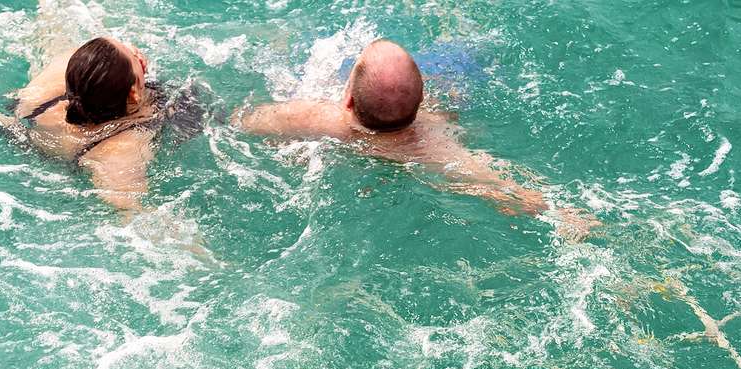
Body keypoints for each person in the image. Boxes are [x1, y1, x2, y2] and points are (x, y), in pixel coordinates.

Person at [236, 39, 592, 237]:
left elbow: (240, 122)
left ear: (346, 99)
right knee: (474, 55)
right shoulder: (435, 145)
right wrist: (568, 217)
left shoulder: (313, 118)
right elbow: (508, 192)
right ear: (423, 101)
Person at [0, 36, 200, 211]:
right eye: (132, 56)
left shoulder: (41, 97)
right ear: (133, 93)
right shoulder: (119, 150)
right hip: (105, 141)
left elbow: (95, 57)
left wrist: (126, 59)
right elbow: (133, 212)